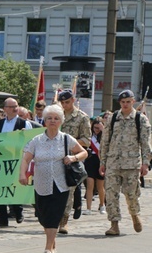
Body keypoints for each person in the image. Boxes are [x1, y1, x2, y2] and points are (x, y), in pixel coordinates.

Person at [18, 104, 88, 253]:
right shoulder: (36, 140)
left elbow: (84, 152)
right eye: (49, 118)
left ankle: (48, 247)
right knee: (43, 216)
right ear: (44, 120)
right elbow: (26, 159)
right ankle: (52, 242)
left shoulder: (66, 139)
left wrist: (73, 158)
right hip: (41, 184)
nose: (52, 121)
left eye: (56, 118)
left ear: (61, 121)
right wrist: (22, 174)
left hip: (60, 183)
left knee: (54, 215)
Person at [100, 90, 152, 236]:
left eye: (128, 102)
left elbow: (145, 143)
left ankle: (135, 215)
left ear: (133, 101)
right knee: (111, 195)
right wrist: (103, 161)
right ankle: (114, 224)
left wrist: (146, 163)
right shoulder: (113, 118)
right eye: (123, 102)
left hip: (131, 164)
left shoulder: (140, 119)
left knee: (131, 194)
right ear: (120, 103)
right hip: (113, 163)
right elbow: (105, 141)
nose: (125, 104)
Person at [57, 89, 91, 234]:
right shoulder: (56, 115)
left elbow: (86, 141)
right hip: (53, 157)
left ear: (73, 100)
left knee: (68, 192)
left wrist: (69, 143)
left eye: (67, 102)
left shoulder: (82, 117)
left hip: (71, 159)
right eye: (62, 102)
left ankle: (63, 221)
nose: (65, 105)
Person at [0, 97, 28, 226]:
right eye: (12, 106)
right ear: (5, 109)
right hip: (1, 161)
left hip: (17, 160)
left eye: (16, 106)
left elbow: (30, 141)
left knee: (14, 187)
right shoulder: (0, 123)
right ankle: (2, 218)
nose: (15, 109)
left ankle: (18, 211)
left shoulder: (24, 123)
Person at [85, 118, 106, 215]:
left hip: (100, 161)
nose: (96, 130)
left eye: (98, 128)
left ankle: (102, 205)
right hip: (90, 160)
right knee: (90, 185)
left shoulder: (105, 136)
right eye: (95, 127)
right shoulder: (89, 136)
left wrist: (103, 131)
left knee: (100, 186)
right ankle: (88, 208)